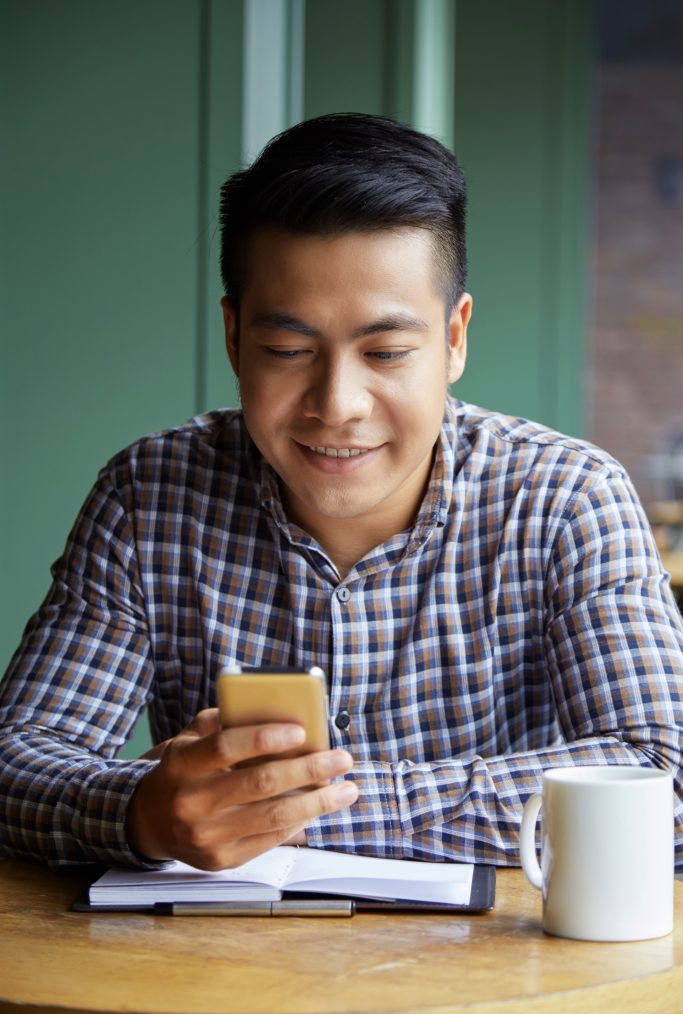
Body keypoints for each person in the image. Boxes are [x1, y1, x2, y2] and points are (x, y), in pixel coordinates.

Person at [1, 113, 682, 872]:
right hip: (213, 976)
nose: (337, 404)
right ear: (232, 338)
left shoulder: (566, 499)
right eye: (288, 350)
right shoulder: (150, 495)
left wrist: (299, 812)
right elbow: (18, 759)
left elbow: (664, 774)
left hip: (496, 979)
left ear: (454, 338)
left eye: (385, 351)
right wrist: (138, 814)